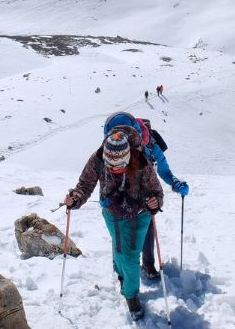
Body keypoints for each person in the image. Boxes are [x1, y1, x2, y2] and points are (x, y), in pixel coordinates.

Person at [64, 125, 163, 321]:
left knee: (129, 256)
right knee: (119, 249)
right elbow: (85, 184)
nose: (115, 169)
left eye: (120, 166)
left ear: (128, 158)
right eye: (111, 166)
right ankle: (121, 276)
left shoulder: (141, 161)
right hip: (112, 213)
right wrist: (75, 198)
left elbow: (157, 192)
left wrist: (155, 203)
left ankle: (131, 295)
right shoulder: (99, 158)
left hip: (139, 214)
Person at [101, 112, 189, 280]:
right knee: (123, 228)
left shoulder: (152, 147)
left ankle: (142, 265)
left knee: (142, 228)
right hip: (122, 191)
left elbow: (163, 170)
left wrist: (176, 183)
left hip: (144, 194)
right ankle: (126, 266)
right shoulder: (121, 144)